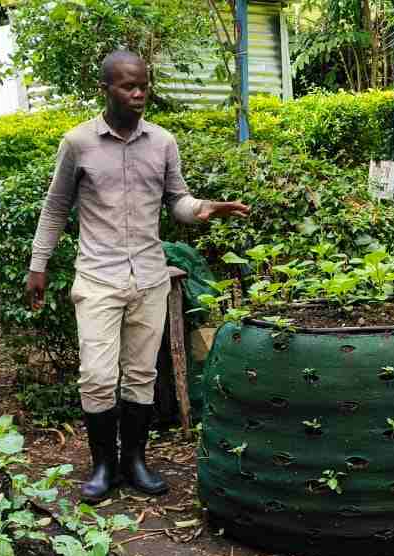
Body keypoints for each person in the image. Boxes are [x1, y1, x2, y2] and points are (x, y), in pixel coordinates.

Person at [26, 49, 250, 500]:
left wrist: (206, 208)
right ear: (105, 89)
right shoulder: (78, 143)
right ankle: (103, 467)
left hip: (148, 276)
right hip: (98, 277)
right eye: (128, 86)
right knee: (97, 375)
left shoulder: (163, 142)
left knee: (141, 374)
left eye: (143, 85)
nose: (139, 93)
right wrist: (38, 264)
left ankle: (135, 462)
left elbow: (178, 203)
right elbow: (55, 206)